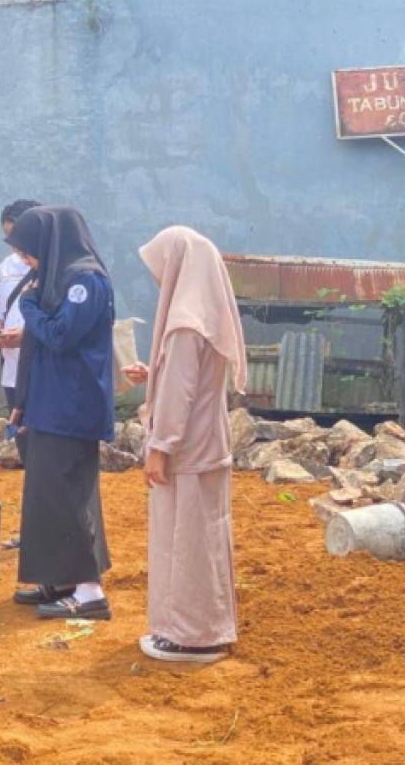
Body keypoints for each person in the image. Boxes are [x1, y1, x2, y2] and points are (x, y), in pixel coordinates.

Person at [122, 226, 248, 664]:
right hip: (206, 443)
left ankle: (192, 636)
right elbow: (185, 381)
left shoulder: (182, 322)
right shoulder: (204, 315)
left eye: (162, 267)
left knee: (186, 541)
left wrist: (159, 447)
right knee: (204, 537)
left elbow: (178, 393)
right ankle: (204, 628)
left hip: (186, 451)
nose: (159, 277)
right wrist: (152, 373)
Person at [5, 206, 115, 620]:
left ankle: (89, 593)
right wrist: (23, 403)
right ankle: (61, 577)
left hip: (73, 406)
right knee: (47, 496)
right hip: (49, 405)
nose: (26, 262)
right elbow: (37, 348)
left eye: (28, 253)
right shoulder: (55, 280)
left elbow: (60, 334)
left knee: (69, 495)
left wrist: (30, 307)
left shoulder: (85, 279)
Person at [0, 198, 41, 549]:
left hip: (43, 374)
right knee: (27, 450)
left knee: (45, 455)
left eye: (20, 239)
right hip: (12, 371)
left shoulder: (60, 271)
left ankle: (42, 528)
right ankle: (33, 527)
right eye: (10, 240)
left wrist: (25, 336)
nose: (17, 249)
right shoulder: (6, 267)